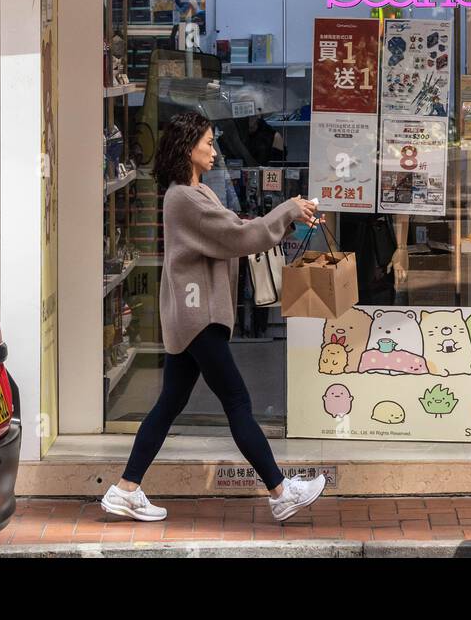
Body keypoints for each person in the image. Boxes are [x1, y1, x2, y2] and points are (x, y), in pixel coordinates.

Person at [100, 110, 326, 524]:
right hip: (197, 313)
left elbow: (232, 230)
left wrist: (286, 222)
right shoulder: (184, 198)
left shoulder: (194, 191)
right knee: (237, 401)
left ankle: (125, 489)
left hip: (193, 314)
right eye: (207, 142)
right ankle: (280, 492)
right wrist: (289, 208)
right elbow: (238, 237)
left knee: (170, 402)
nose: (214, 150)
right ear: (189, 148)